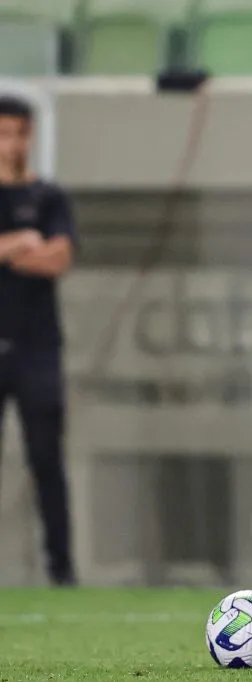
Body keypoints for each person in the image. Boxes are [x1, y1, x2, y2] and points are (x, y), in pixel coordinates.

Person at [0, 95, 78, 586]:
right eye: (4, 133)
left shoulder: (49, 198)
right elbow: (36, 249)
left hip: (37, 349)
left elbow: (58, 259)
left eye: (20, 133)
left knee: (47, 458)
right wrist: (20, 242)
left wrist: (18, 253)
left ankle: (61, 570)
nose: (12, 144)